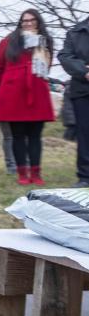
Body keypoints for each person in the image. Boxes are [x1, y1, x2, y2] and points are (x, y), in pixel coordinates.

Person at [0, 9, 55, 186]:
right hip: (14, 93)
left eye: (31, 20)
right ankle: (21, 172)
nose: (27, 23)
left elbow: (47, 66)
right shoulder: (8, 41)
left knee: (35, 135)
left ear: (38, 22)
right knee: (17, 135)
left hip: (37, 91)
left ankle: (35, 172)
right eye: (24, 20)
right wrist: (8, 84)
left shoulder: (45, 41)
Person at [58, 15, 89, 187]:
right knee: (85, 136)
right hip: (83, 91)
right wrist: (84, 71)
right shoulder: (75, 32)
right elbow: (65, 56)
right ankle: (85, 177)